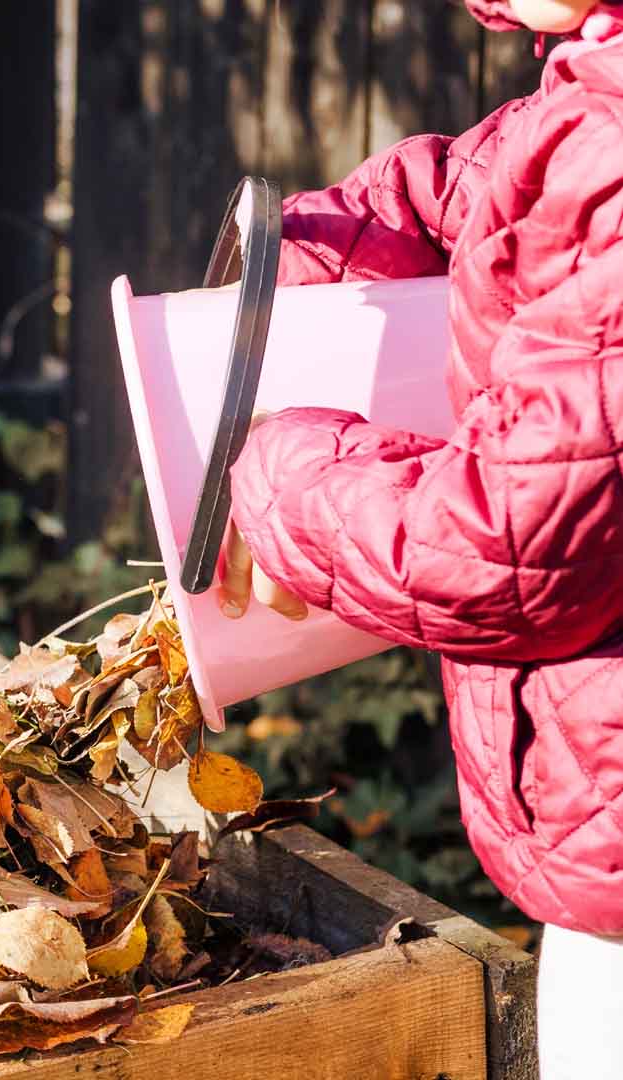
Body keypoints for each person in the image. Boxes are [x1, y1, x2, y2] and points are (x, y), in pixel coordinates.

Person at [214, 0, 623, 1075]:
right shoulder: (597, 86)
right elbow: (489, 187)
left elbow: (509, 549)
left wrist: (273, 471)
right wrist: (330, 247)